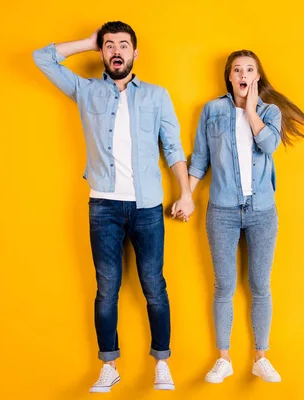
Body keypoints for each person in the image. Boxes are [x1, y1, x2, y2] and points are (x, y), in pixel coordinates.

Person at [33, 21, 194, 393]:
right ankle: (109, 365)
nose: (116, 51)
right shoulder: (86, 91)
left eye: (124, 45)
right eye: (109, 46)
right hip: (103, 205)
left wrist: (185, 193)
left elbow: (172, 148)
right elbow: (42, 59)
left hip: (147, 206)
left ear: (136, 53)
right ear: (102, 53)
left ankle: (162, 363)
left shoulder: (156, 95)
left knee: (154, 285)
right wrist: (87, 42)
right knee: (107, 289)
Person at [185, 50, 304, 383]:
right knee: (224, 285)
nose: (243, 74)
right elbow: (200, 159)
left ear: (257, 77)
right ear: (229, 76)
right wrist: (187, 195)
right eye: (237, 70)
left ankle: (261, 357)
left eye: (250, 70)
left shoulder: (269, 112)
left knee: (260, 285)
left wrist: (252, 109)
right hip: (223, 211)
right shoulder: (212, 111)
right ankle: (223, 358)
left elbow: (269, 145)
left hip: (262, 212)